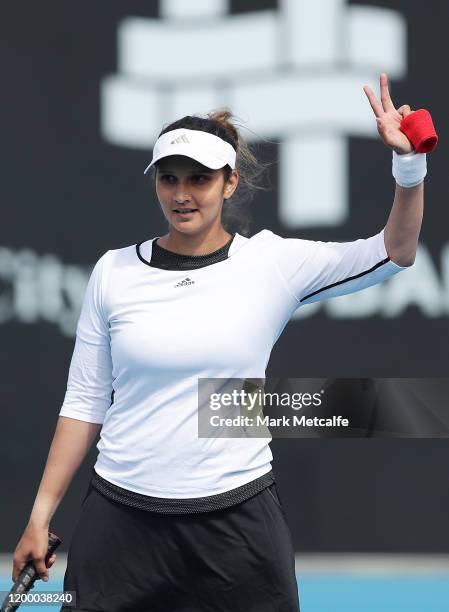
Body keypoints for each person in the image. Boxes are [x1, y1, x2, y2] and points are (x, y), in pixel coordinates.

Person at [12, 73, 426, 611]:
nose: (182, 195)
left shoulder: (271, 262)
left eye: (199, 179)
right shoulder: (113, 271)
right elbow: (85, 401)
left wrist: (409, 167)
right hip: (121, 522)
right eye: (169, 178)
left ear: (229, 183)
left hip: (237, 523)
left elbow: (396, 250)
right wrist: (40, 515)